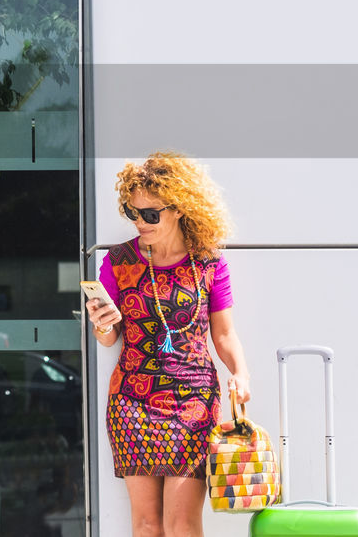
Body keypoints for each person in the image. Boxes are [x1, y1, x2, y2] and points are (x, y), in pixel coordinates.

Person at [86, 152, 251, 537]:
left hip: (193, 403)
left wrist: (241, 373)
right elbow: (109, 337)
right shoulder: (118, 261)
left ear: (179, 208)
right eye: (132, 212)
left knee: (182, 525)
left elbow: (224, 335)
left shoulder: (208, 262)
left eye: (150, 214)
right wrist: (101, 326)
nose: (139, 222)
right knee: (146, 525)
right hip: (132, 402)